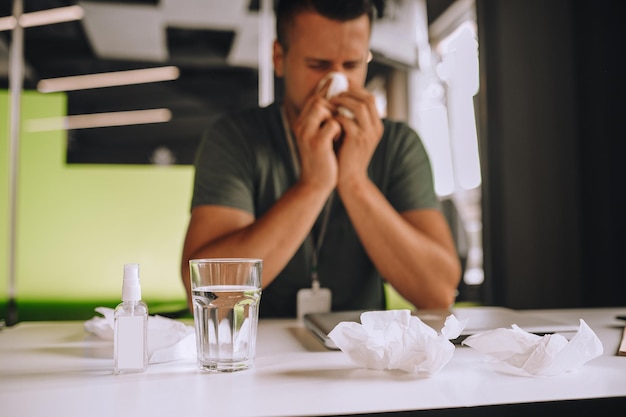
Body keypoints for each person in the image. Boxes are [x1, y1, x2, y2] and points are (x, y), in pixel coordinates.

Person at [181, 0, 461, 317]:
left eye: (353, 65)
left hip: (362, 348)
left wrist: (354, 182)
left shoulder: (398, 144)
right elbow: (209, 299)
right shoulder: (236, 138)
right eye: (318, 65)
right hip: (258, 346)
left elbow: (438, 293)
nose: (337, 83)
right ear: (279, 58)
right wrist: (314, 185)